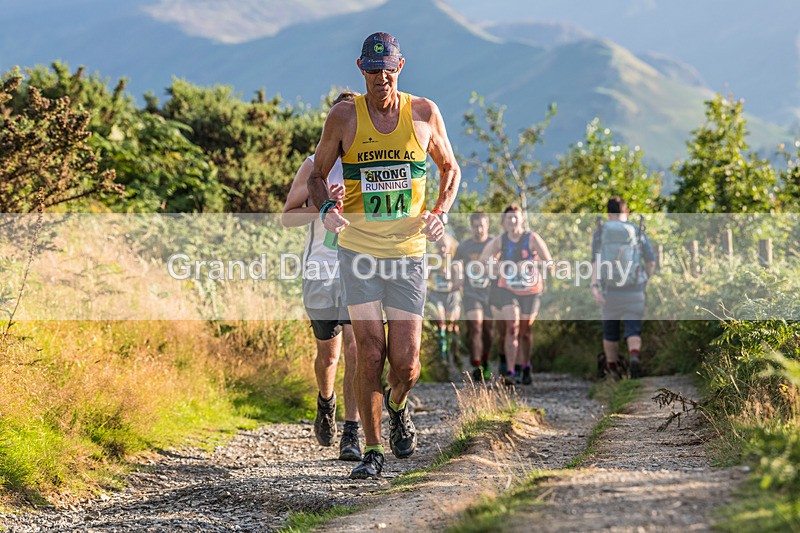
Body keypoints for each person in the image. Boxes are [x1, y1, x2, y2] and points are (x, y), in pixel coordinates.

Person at [307, 32, 460, 479]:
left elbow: (450, 168)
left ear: (401, 66)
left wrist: (440, 214)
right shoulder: (343, 117)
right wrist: (328, 208)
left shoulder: (423, 113)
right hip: (359, 253)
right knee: (369, 354)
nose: (381, 77)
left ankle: (398, 407)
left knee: (406, 363)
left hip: (409, 253)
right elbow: (317, 175)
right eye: (373, 70)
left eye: (388, 68)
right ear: (361, 69)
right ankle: (372, 451)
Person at [280, 90, 362, 462]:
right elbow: (287, 217)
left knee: (358, 349)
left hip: (362, 267)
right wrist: (322, 202)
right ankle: (325, 402)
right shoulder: (314, 164)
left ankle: (351, 431)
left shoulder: (369, 163)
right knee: (328, 356)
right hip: (321, 268)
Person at [481, 206, 552, 386]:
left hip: (531, 290)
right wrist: (498, 267)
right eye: (508, 219)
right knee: (512, 328)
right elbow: (484, 260)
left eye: (515, 218)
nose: (512, 222)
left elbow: (549, 263)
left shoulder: (532, 238)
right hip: (507, 289)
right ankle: (511, 371)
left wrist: (531, 267)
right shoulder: (501, 241)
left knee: (525, 332)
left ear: (521, 219)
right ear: (503, 222)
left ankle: (525, 366)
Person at [591, 196, 656, 379]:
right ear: (626, 212)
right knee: (633, 328)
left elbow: (595, 261)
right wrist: (645, 279)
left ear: (608, 213)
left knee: (610, 332)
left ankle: (612, 370)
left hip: (610, 290)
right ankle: (634, 356)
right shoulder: (636, 230)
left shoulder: (601, 231)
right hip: (635, 288)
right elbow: (650, 261)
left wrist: (595, 287)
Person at [454, 212, 494, 381]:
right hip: (471, 293)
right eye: (475, 226)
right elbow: (455, 263)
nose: (479, 229)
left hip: (492, 293)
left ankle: (485, 360)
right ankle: (476, 364)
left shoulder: (494, 243)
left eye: (482, 225)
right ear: (471, 227)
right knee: (476, 327)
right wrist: (458, 276)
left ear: (487, 226)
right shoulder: (465, 246)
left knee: (488, 331)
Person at [427, 233, 462, 361]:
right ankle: (442, 354)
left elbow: (459, 282)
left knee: (452, 325)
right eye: (440, 246)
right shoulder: (432, 260)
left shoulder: (455, 261)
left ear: (450, 247)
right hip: (437, 295)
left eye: (445, 247)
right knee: (441, 323)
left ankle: (455, 353)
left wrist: (451, 275)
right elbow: (426, 279)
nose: (442, 249)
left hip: (452, 295)